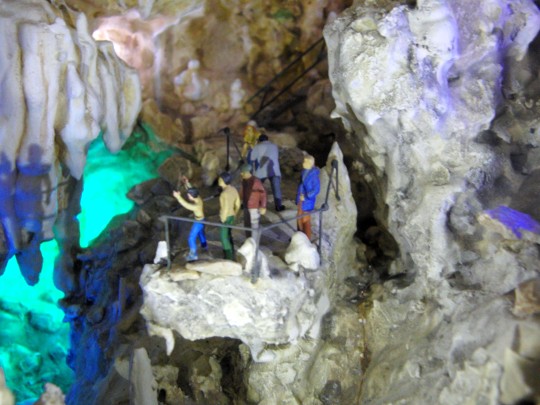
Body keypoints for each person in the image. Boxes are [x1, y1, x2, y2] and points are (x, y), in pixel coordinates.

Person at [249, 133, 285, 211]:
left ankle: (254, 203)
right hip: (274, 170)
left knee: (256, 187)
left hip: (262, 171)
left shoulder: (257, 146)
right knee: (276, 188)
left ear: (259, 140)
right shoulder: (274, 146)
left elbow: (252, 158)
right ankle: (278, 206)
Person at [172, 182, 206, 261]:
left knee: (191, 238)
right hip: (202, 219)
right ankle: (205, 247)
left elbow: (186, 205)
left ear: (192, 196)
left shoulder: (196, 206)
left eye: (189, 195)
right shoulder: (198, 197)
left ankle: (193, 255)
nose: (188, 196)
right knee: (201, 234)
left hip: (198, 222)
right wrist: (187, 183)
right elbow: (192, 190)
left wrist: (178, 197)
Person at [296, 154, 320, 240]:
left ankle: (307, 238)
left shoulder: (313, 176)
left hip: (307, 201)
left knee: (305, 220)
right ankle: (299, 236)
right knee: (298, 217)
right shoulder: (304, 172)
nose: (303, 163)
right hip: (301, 199)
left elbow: (316, 189)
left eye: (305, 162)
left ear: (310, 164)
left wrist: (306, 196)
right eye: (304, 161)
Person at [218, 172, 241, 260]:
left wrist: (222, 219)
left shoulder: (224, 194)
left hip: (225, 217)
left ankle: (228, 257)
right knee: (229, 234)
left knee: (224, 238)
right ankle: (232, 252)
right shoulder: (233, 189)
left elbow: (225, 208)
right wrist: (235, 213)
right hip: (231, 216)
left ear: (225, 180)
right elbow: (238, 204)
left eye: (220, 179)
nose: (219, 181)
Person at [240, 164, 266, 236]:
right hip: (246, 206)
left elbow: (263, 194)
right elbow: (242, 192)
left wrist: (263, 206)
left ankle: (254, 240)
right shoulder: (244, 181)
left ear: (248, 172)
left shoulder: (256, 182)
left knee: (254, 225)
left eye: (243, 172)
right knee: (247, 224)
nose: (241, 174)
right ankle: (248, 239)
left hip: (254, 207)